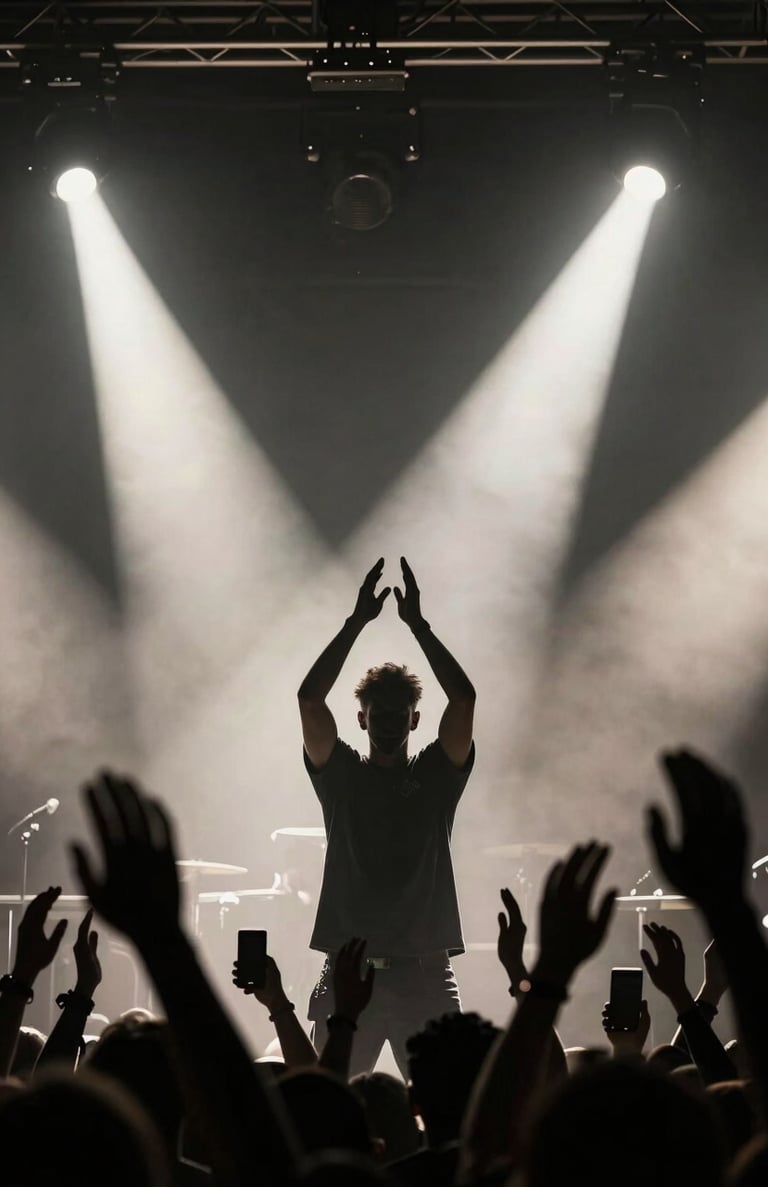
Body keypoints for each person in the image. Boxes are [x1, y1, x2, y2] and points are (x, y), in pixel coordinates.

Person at [297, 557, 476, 1076]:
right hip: (350, 969)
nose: (392, 722)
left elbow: (463, 698)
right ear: (362, 717)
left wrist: (419, 625)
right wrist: (356, 623)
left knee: (450, 1111)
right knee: (327, 1108)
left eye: (401, 714)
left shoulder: (437, 775)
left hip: (425, 973)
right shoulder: (343, 774)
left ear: (416, 719)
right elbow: (310, 699)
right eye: (382, 713)